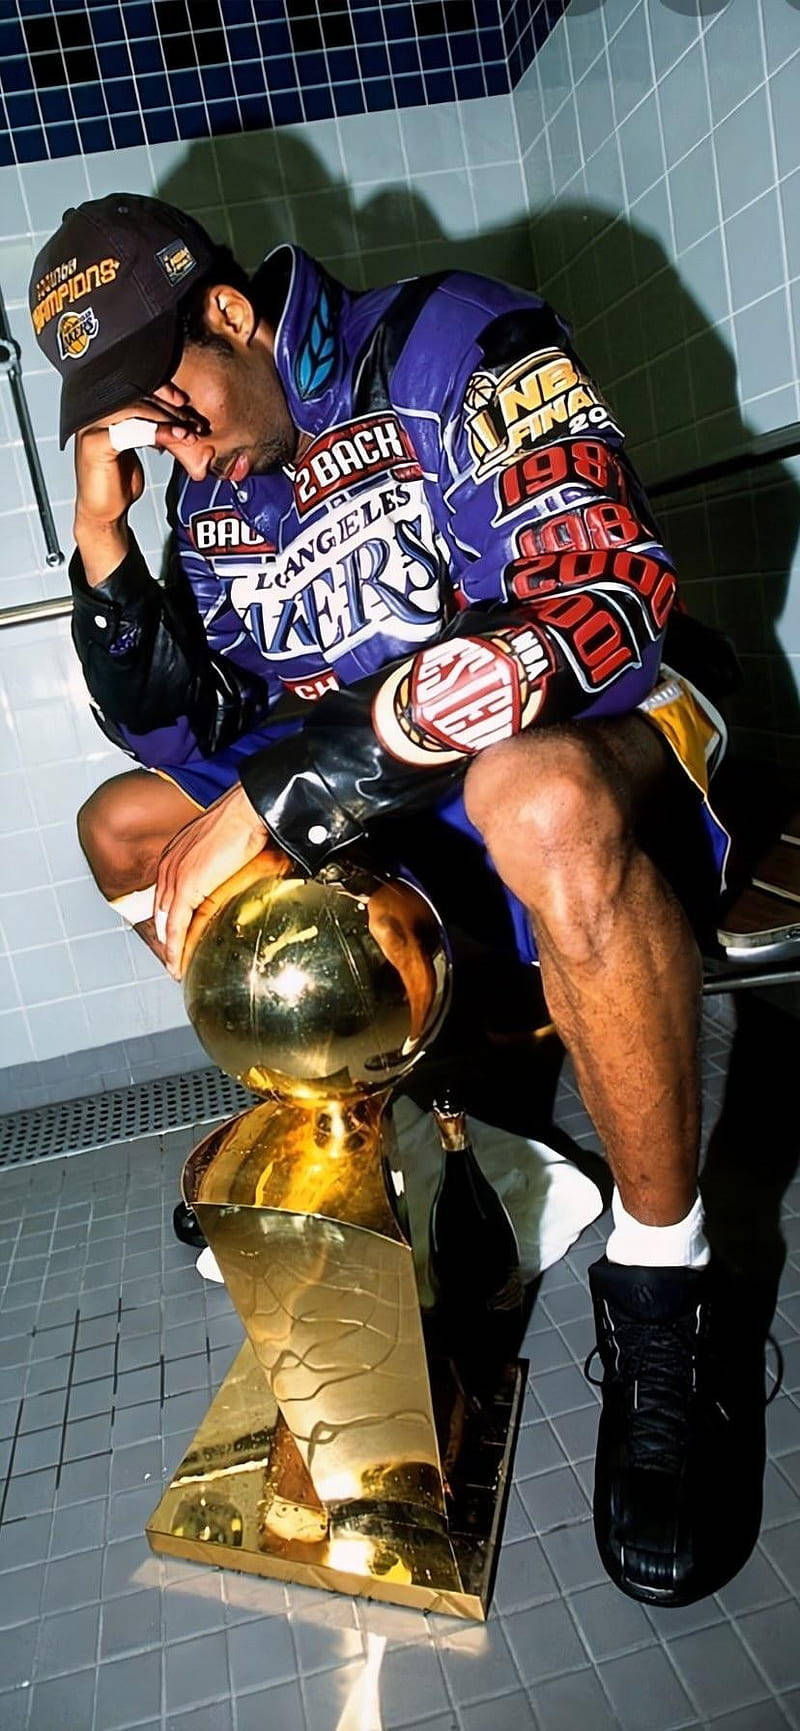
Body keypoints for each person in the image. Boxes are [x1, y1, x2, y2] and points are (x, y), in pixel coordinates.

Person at [29, 193, 766, 1609]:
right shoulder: (221, 492)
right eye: (132, 433)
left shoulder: (451, 342)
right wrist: (105, 538)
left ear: (233, 316)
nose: (164, 444)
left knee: (529, 794)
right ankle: (396, 1124)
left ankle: (671, 1296)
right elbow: (187, 746)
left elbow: (606, 600)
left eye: (164, 406)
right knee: (129, 829)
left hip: (617, 755)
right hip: (418, 810)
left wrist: (297, 787)